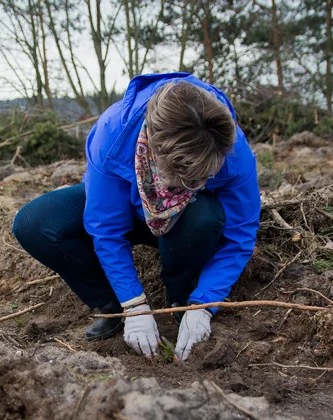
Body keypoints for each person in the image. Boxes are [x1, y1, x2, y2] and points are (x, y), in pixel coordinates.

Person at [13, 72, 260, 361]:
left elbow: (240, 236)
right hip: (126, 206)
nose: (191, 187)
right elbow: (106, 228)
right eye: (181, 183)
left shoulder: (232, 150)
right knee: (34, 223)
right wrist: (134, 305)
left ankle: (181, 300)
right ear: (155, 154)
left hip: (186, 226)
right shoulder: (113, 130)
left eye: (200, 180)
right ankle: (112, 305)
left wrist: (204, 305)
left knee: (205, 215)